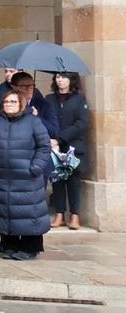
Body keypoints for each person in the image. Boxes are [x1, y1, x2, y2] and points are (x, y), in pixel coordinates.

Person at [0, 89, 51, 262]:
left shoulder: (33, 122)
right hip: (1, 176)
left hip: (26, 177)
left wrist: (35, 167)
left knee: (29, 212)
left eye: (13, 102)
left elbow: (44, 146)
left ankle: (30, 247)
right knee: (5, 211)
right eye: (6, 102)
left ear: (21, 103)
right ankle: (10, 244)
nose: (9, 105)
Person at [45, 72, 89, 230]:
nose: (60, 80)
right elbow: (46, 119)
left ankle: (75, 215)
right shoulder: (49, 99)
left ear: (71, 80)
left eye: (63, 77)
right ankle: (59, 214)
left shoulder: (79, 99)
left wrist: (61, 137)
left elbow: (81, 123)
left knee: (73, 181)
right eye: (57, 77)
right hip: (54, 146)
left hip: (73, 145)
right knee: (57, 180)